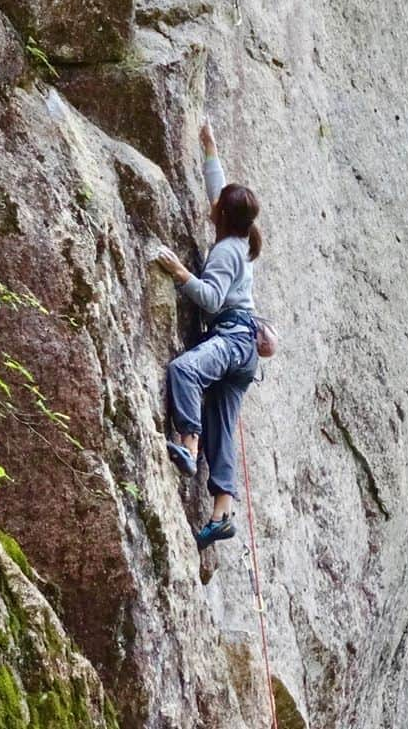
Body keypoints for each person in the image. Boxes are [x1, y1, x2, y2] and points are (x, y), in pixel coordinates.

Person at [155, 120, 262, 551]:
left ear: (221, 215)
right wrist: (210, 148)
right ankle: (221, 512)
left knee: (184, 371)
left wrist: (180, 273)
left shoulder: (225, 251)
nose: (211, 204)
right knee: (224, 423)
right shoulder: (241, 238)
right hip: (246, 349)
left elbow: (213, 299)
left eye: (217, 204)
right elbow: (220, 192)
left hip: (232, 338)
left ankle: (187, 444)